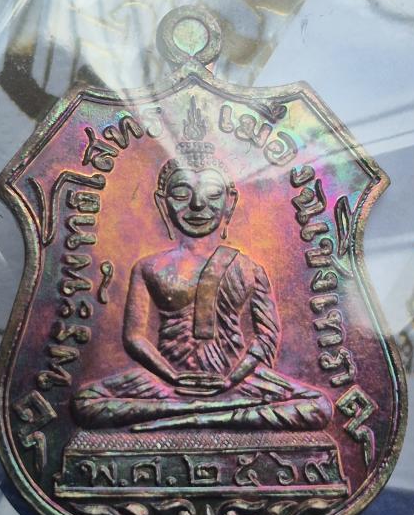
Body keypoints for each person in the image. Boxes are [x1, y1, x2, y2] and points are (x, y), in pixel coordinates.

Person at [73, 112, 332, 432]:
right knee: (84, 402)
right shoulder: (149, 267)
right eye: (182, 194)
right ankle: (209, 413)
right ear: (163, 202)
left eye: (212, 194)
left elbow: (266, 338)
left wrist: (231, 379)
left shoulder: (247, 268)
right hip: (164, 381)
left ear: (229, 202)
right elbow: (135, 337)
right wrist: (171, 377)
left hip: (237, 381)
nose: (197, 205)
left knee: (318, 406)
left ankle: (194, 415)